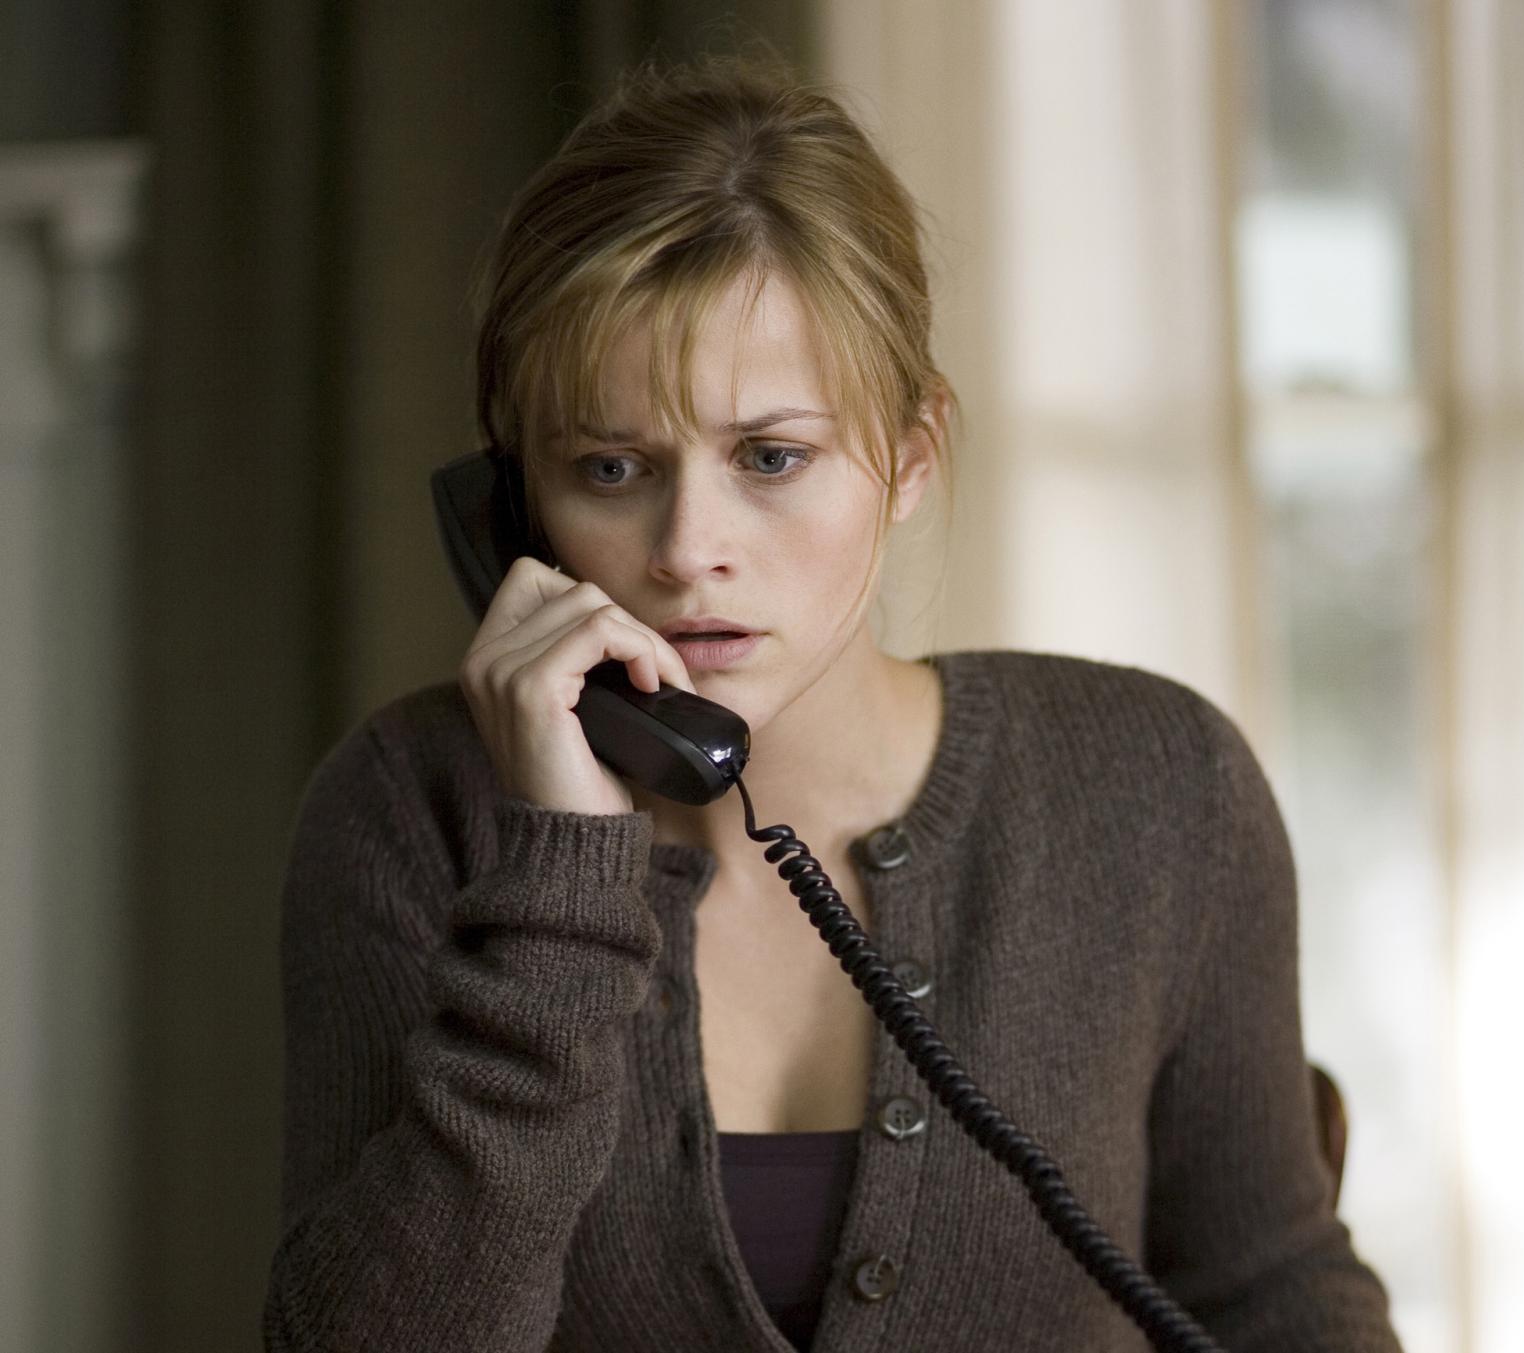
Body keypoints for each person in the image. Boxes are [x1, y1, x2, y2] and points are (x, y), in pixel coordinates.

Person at [262, 53, 1405, 1353]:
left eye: (771, 456)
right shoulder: (408, 809)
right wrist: (561, 881)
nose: (689, 549)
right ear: (515, 507)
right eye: (612, 467)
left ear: (908, 457)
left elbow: (1273, 1294)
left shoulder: (1157, 785)